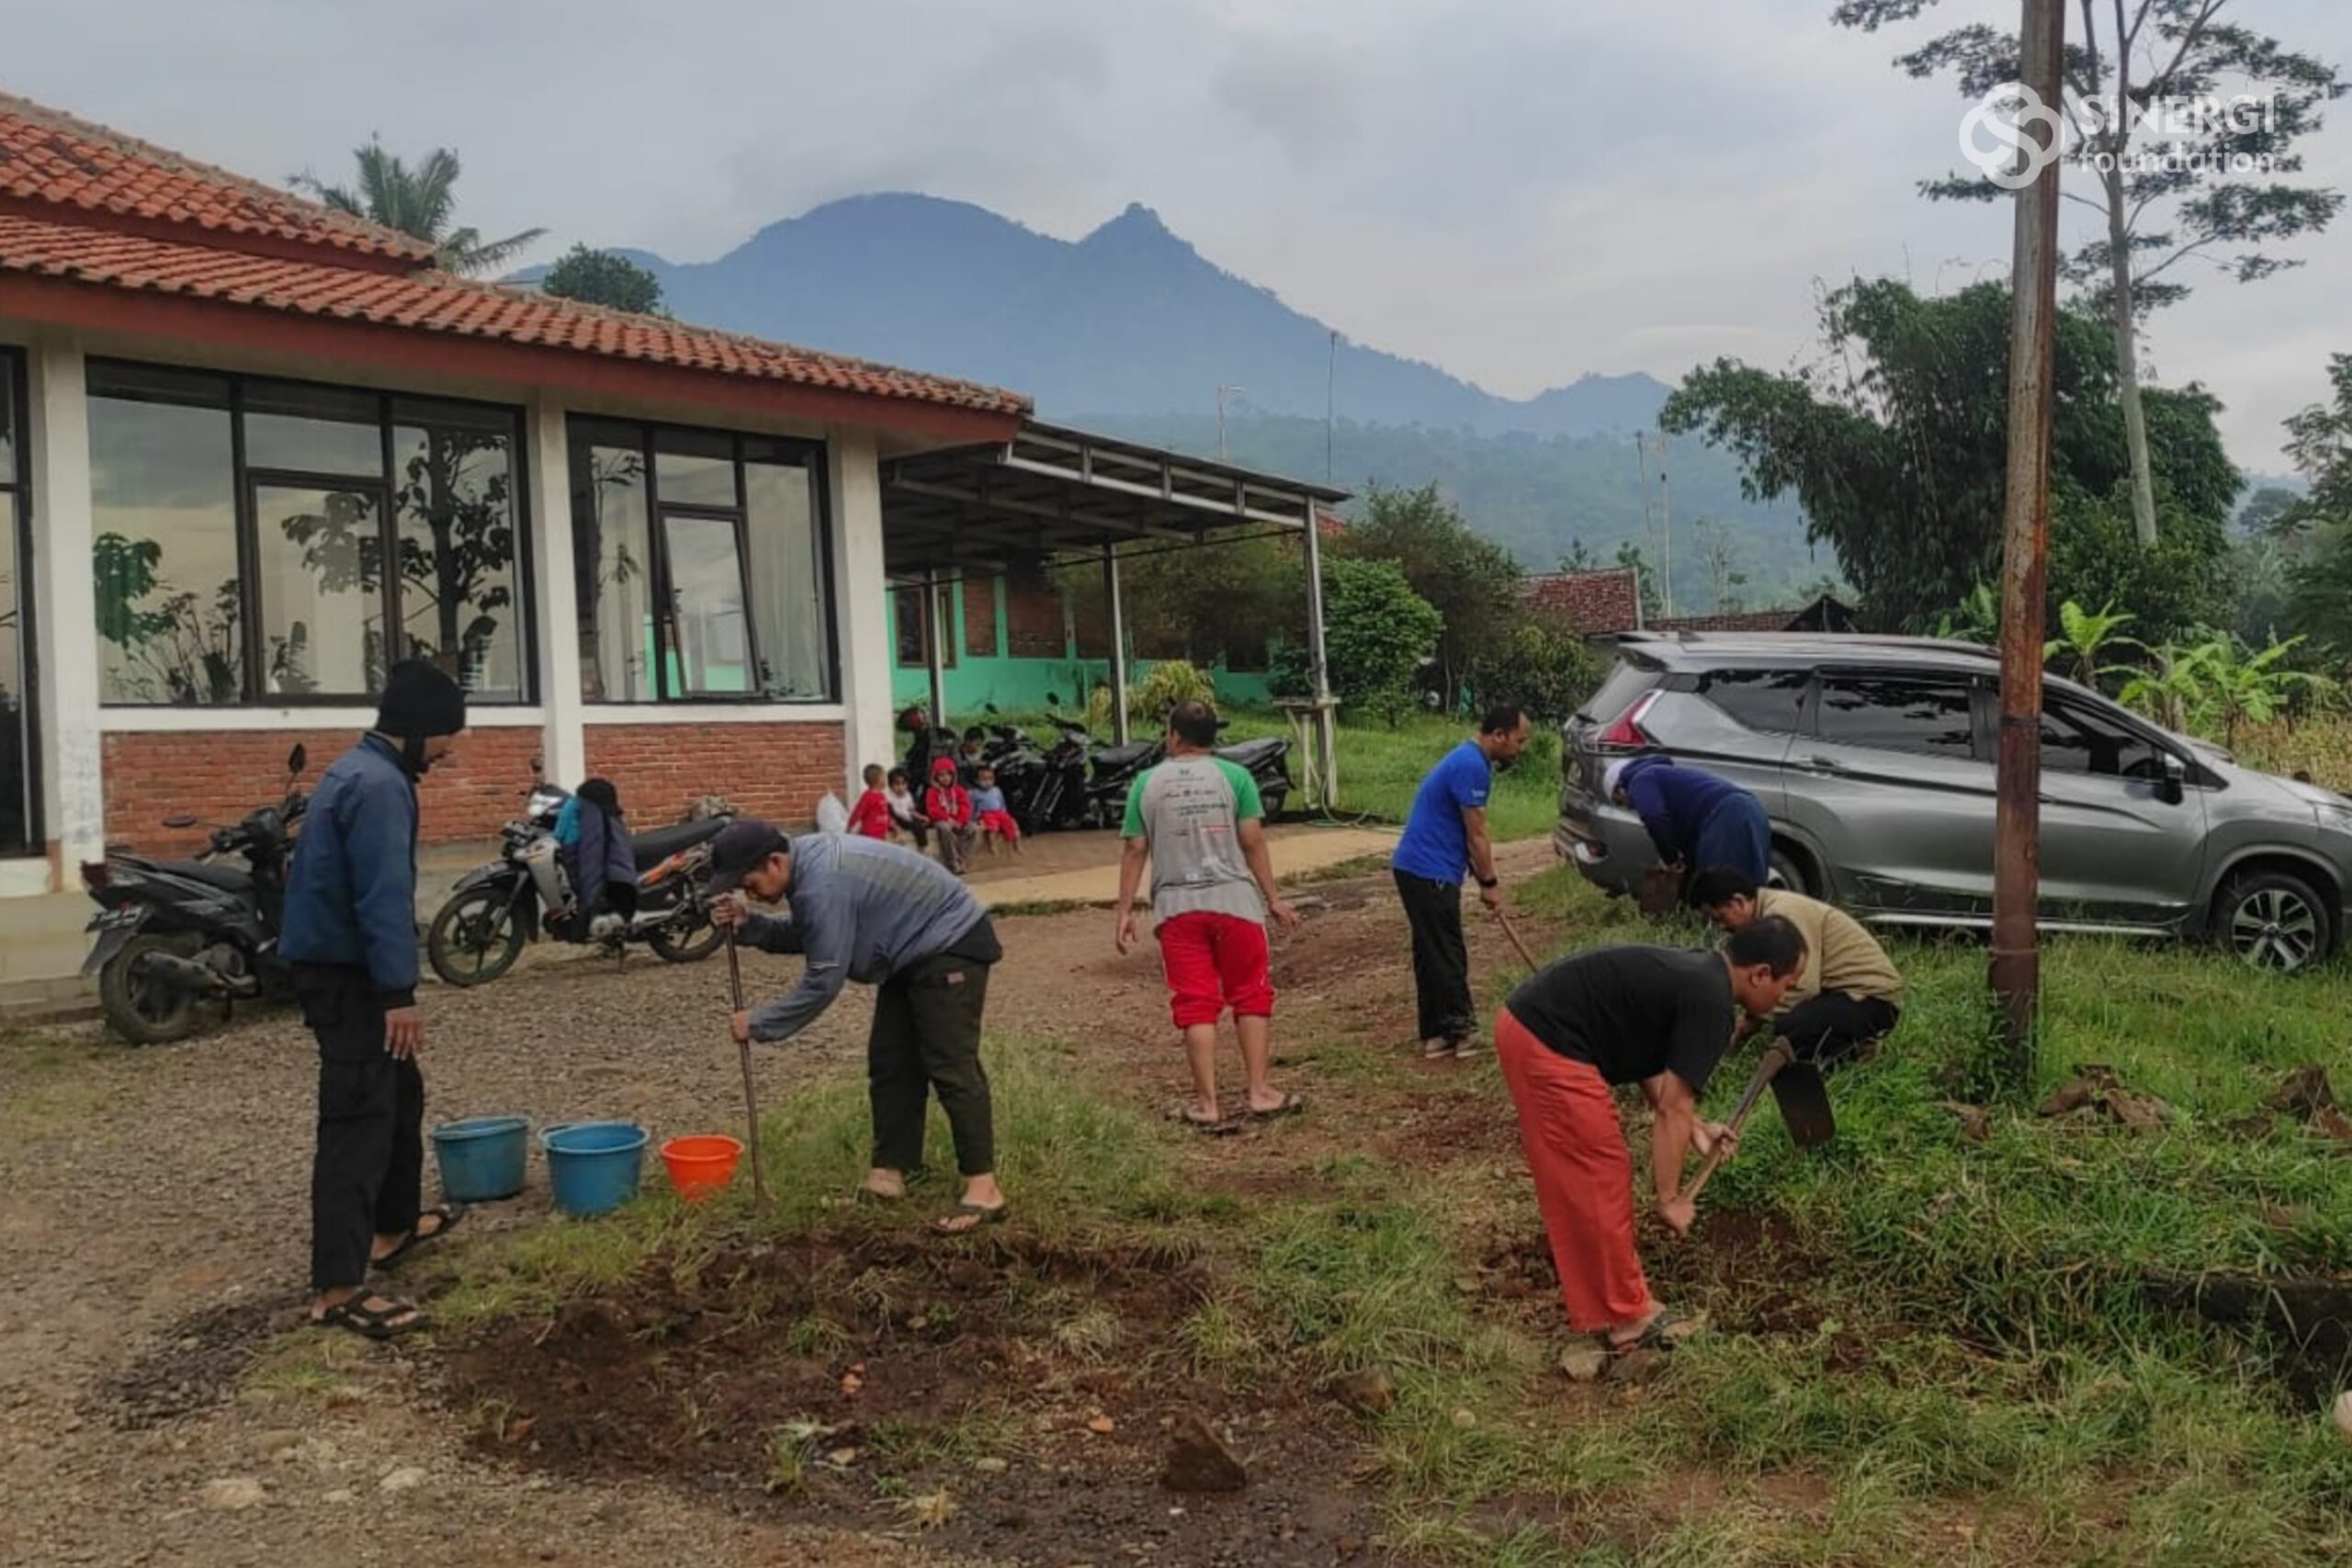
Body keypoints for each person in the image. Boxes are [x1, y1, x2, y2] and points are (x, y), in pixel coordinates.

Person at [1496, 919, 1808, 1352]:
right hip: (1548, 1042)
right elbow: (1673, 1107)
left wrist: (1697, 1129)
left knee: (1590, 1174)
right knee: (1598, 1173)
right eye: (1786, 986)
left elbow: (1649, 1062)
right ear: (1759, 974)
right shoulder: (1713, 1002)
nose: (1783, 999)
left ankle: (1607, 1295)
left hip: (1531, 1026)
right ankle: (1629, 1318)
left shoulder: (1701, 974)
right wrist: (1670, 1199)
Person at [280, 659, 469, 1339]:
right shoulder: (382, 788)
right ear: (418, 732)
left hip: (342, 964)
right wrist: (398, 992)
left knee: (399, 1090)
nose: (448, 755)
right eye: (446, 741)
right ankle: (337, 1287)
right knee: (357, 1114)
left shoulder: (356, 768)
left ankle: (392, 1228)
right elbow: (382, 898)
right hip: (349, 975)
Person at [709, 821, 1007, 1234]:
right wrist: (752, 926)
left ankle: (984, 1188)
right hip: (909, 952)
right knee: (891, 1063)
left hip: (949, 944)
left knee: (950, 1063)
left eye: (750, 883)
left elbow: (823, 981)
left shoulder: (821, 883)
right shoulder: (805, 866)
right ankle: (890, 1174)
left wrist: (759, 1023)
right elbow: (817, 933)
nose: (750, 893)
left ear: (775, 861)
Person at [1115, 699, 1305, 1129]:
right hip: (1236, 903)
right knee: (1251, 994)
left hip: (1178, 909)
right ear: (1213, 738)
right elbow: (1253, 840)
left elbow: (1134, 849)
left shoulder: (1147, 782)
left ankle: (1207, 1104)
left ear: (1174, 736)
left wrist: (1125, 910)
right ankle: (1259, 1092)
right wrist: (1273, 897)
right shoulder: (1236, 777)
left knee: (1196, 1003)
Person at [1391, 704, 1534, 1058]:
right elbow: (1477, 833)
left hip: (1417, 868)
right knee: (1446, 951)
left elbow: (1465, 832)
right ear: (1498, 735)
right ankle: (1463, 1031)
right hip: (1428, 870)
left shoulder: (1468, 759)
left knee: (1431, 950)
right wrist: (1489, 883)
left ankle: (1437, 1036)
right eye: (1519, 740)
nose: (1521, 749)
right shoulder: (1471, 766)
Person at [1690, 866, 1904, 1067]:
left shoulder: (1783, 916)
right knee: (1793, 1026)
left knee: (1794, 1029)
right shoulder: (1769, 916)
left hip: (1869, 999)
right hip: (1838, 995)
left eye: (1719, 918)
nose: (1722, 928)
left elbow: (1803, 986)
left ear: (1737, 902)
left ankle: (1853, 1055)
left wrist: (1754, 1018)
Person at [1604, 755, 1770, 891]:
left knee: (1725, 891)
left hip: (1727, 814)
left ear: (1620, 788)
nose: (1628, 806)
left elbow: (1654, 818)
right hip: (1749, 808)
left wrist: (1670, 859)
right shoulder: (1664, 778)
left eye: (1620, 802)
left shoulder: (1640, 779)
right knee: (1751, 890)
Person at [560, 777, 637, 938]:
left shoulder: (588, 812)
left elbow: (591, 859)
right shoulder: (606, 818)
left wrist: (590, 902)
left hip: (610, 882)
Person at [923, 757, 977, 873]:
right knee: (945, 828)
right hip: (942, 821)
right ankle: (952, 862)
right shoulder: (932, 792)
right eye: (941, 775)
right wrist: (947, 819)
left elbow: (965, 807)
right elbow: (932, 810)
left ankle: (961, 858)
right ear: (935, 777)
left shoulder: (959, 790)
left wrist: (960, 821)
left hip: (958, 820)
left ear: (953, 776)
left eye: (948, 774)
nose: (945, 778)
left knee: (972, 828)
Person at [968, 764, 1021, 854]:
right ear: (977, 781)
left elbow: (1002, 802)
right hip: (986, 814)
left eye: (990, 779)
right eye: (984, 779)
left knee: (1012, 825)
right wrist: (973, 819)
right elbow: (972, 807)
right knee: (993, 829)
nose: (988, 782)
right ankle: (992, 846)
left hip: (1000, 813)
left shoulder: (997, 790)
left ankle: (1016, 845)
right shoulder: (974, 793)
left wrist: (1005, 813)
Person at [845, 763, 895, 841]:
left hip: (882, 834)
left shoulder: (882, 796)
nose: (886, 780)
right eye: (884, 777)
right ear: (878, 780)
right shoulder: (868, 796)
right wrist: (850, 826)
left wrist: (891, 826)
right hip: (870, 834)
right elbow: (858, 812)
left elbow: (885, 812)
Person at [885, 766, 927, 848]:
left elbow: (911, 811)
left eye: (903, 784)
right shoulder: (889, 796)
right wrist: (893, 824)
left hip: (907, 818)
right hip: (896, 819)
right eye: (897, 784)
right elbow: (888, 813)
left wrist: (921, 817)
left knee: (920, 826)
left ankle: (923, 846)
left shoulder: (908, 795)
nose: (900, 787)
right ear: (890, 785)